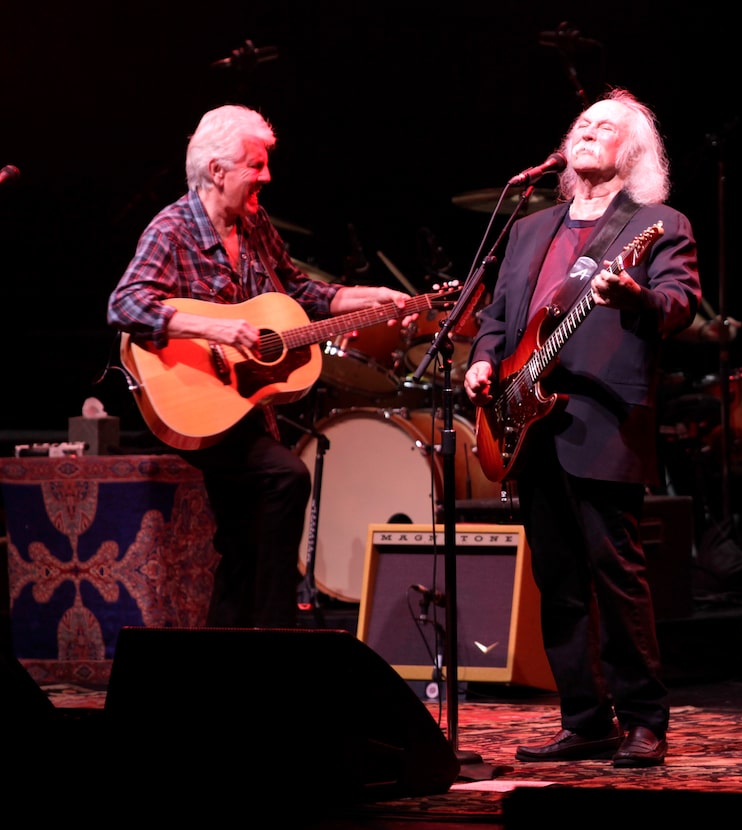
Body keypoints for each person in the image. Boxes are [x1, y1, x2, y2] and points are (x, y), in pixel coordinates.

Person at [107, 104, 417, 629]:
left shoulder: (253, 224)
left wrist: (372, 300)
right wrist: (216, 328)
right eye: (257, 165)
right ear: (216, 170)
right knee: (286, 478)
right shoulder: (171, 229)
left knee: (242, 540)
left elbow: (297, 291)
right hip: (192, 398)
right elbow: (124, 306)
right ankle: (276, 628)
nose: (267, 177)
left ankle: (232, 659)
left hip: (244, 405)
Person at [464, 88, 701, 767]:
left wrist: (633, 295)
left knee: (615, 573)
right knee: (558, 577)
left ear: (630, 152)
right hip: (525, 417)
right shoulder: (530, 227)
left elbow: (680, 305)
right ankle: (585, 718)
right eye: (582, 124)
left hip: (602, 417)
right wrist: (483, 365)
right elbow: (500, 320)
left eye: (604, 127)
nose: (588, 132)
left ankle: (645, 720)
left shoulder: (658, 223)